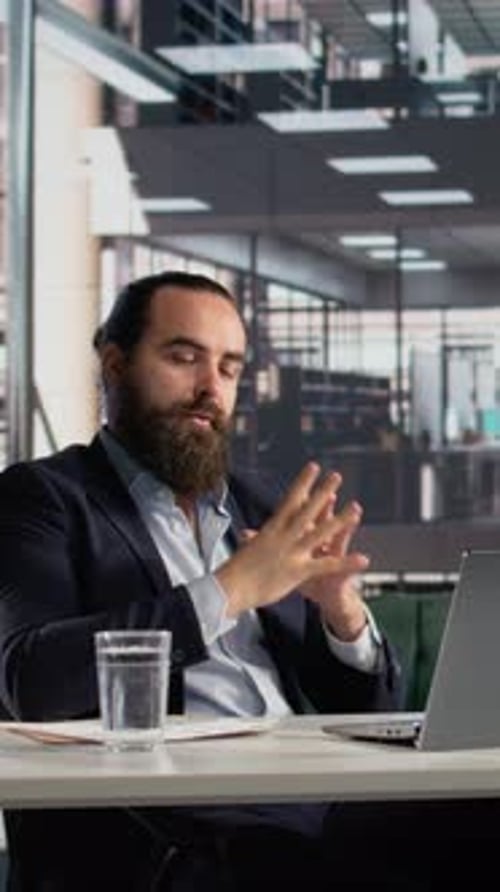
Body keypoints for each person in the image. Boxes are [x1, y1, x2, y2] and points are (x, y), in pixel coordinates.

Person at [0, 270, 492, 892]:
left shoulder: (259, 506)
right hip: (174, 833)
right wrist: (231, 589)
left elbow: (372, 711)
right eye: (184, 358)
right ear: (115, 365)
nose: (211, 388)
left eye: (230, 369)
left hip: (318, 803)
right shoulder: (42, 499)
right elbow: (30, 680)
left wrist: (342, 617)